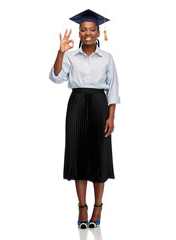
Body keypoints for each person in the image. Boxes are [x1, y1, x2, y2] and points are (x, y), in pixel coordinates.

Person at [49, 9, 121, 229]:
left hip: (100, 105)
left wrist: (111, 117)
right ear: (79, 32)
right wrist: (60, 53)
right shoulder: (70, 56)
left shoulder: (107, 58)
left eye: (92, 29)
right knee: (79, 156)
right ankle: (82, 208)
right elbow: (56, 78)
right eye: (83, 29)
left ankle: (98, 207)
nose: (87, 33)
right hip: (77, 105)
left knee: (99, 156)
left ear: (99, 33)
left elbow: (113, 89)